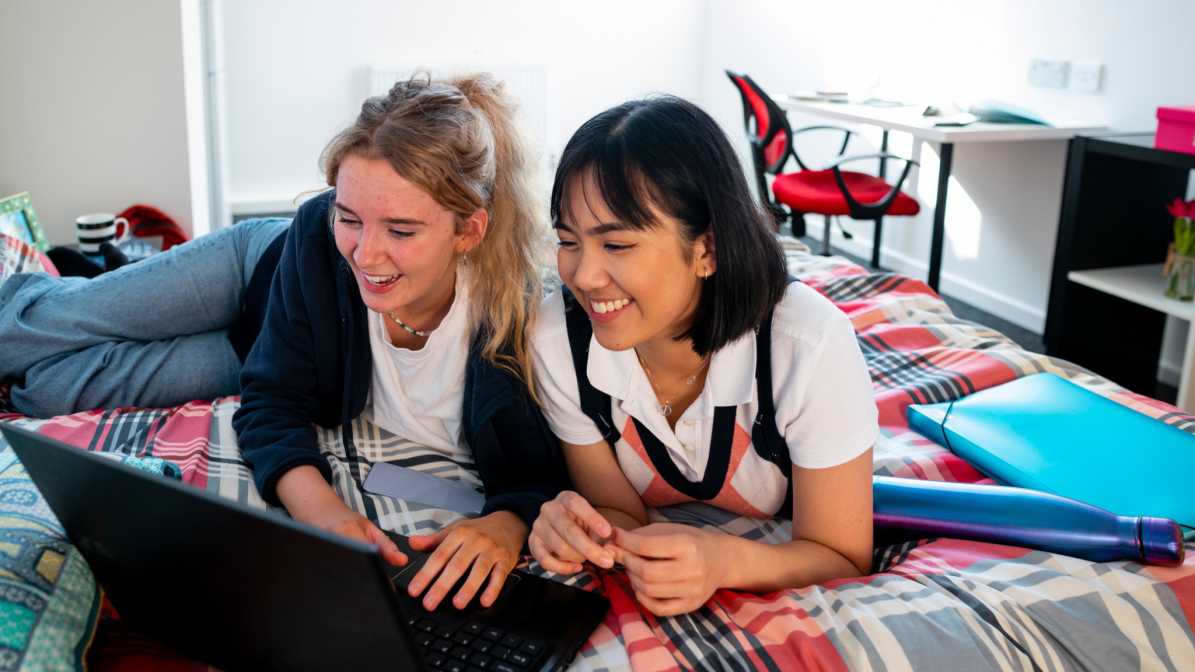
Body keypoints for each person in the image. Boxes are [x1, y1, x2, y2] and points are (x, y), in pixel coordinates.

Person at [0, 73, 568, 611]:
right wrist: (320, 510)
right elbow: (279, 400)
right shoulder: (319, 238)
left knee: (43, 394)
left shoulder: (516, 326)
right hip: (255, 271)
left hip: (255, 350)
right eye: (349, 217)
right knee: (44, 327)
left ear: (470, 229)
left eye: (400, 230)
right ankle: (67, 279)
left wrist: (509, 521)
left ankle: (87, 274)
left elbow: (538, 480)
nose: (365, 256)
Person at [527, 96, 878, 616]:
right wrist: (583, 529)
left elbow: (843, 555)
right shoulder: (558, 340)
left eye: (617, 246)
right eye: (567, 240)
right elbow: (619, 510)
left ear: (707, 249)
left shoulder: (808, 344)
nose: (581, 276)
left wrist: (725, 562)